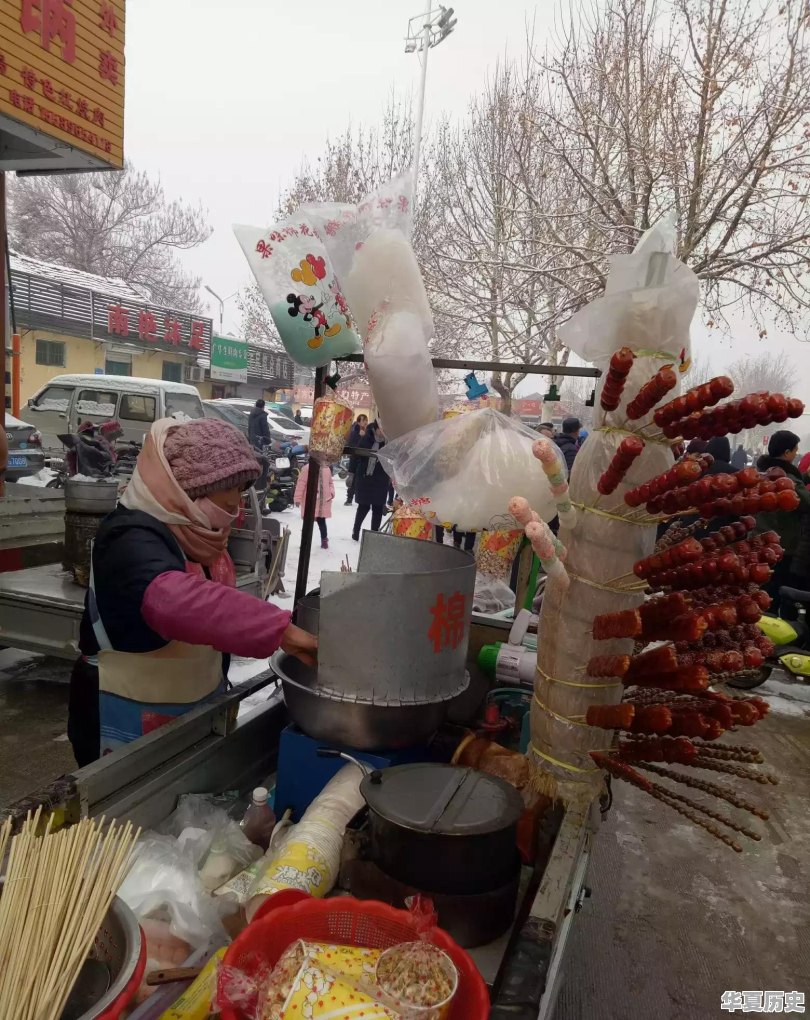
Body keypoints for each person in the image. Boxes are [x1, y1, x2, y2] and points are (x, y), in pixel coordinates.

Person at [68, 417, 317, 765]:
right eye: (227, 505)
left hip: (186, 706)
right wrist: (277, 629)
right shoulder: (130, 535)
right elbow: (174, 601)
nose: (233, 516)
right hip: (122, 714)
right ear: (186, 491)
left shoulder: (191, 531)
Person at [756, 430, 810, 613]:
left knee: (758, 589)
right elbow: (805, 501)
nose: (796, 454)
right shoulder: (788, 478)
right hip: (782, 544)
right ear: (786, 453)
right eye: (795, 450)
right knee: (773, 593)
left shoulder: (761, 473)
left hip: (757, 540)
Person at [352, 421, 389, 540]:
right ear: (376, 428)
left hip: (380, 480)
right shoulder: (366, 437)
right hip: (365, 478)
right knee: (363, 507)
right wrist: (351, 473)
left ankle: (373, 535)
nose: (383, 432)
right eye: (381, 429)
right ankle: (356, 531)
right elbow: (356, 455)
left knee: (377, 508)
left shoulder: (388, 442)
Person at [294, 459, 335, 549]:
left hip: (323, 501)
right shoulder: (306, 469)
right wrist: (297, 498)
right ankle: (304, 542)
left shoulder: (326, 469)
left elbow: (330, 483)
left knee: (322, 522)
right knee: (307, 524)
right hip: (310, 501)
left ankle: (324, 540)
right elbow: (301, 484)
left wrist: (331, 492)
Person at [345, 414, 368, 506]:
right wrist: (360, 437)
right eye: (363, 420)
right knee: (353, 480)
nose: (365, 422)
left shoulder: (368, 431)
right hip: (355, 459)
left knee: (364, 480)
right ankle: (349, 498)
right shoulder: (354, 431)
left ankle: (362, 499)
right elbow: (352, 444)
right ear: (358, 422)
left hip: (364, 460)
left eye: (366, 420)